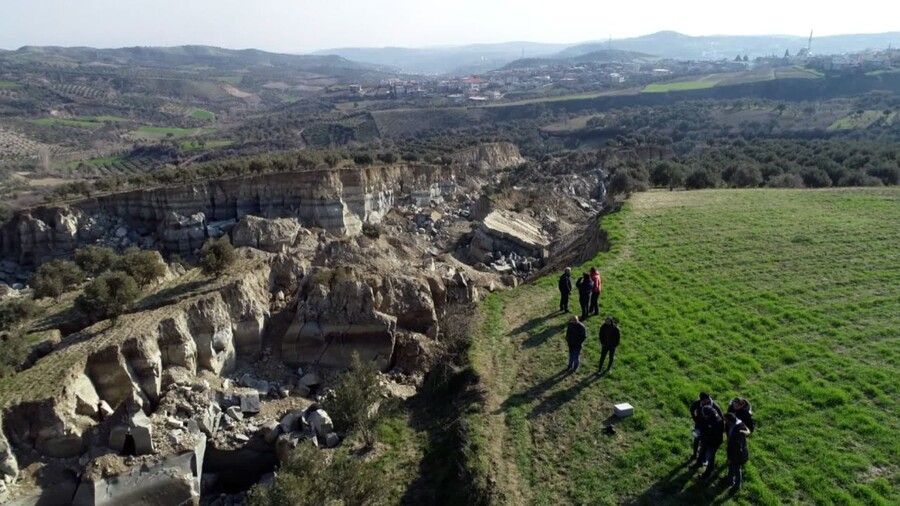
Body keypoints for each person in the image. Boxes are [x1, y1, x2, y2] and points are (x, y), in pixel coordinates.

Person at [690, 392, 723, 459]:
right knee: (696, 438)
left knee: (704, 442)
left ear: (708, 398)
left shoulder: (715, 406)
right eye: (702, 401)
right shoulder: (697, 403)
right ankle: (694, 454)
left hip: (709, 428)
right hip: (699, 424)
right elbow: (692, 409)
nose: (704, 402)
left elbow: (721, 418)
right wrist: (695, 419)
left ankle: (702, 457)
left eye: (706, 400)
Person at [695, 406, 725, 479]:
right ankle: (698, 464)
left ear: (710, 414)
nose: (704, 416)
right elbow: (703, 425)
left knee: (710, 457)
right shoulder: (706, 416)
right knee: (701, 452)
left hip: (714, 442)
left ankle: (708, 473)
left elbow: (716, 435)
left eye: (705, 415)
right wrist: (699, 433)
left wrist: (705, 436)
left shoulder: (718, 421)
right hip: (706, 439)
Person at [725, 413, 751, 492]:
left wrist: (730, 458)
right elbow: (747, 431)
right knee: (732, 467)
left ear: (730, 420)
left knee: (736, 469)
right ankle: (729, 480)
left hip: (737, 454)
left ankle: (736, 486)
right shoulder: (739, 424)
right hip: (737, 452)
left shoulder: (737, 433)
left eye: (726, 420)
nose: (725, 421)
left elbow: (734, 448)